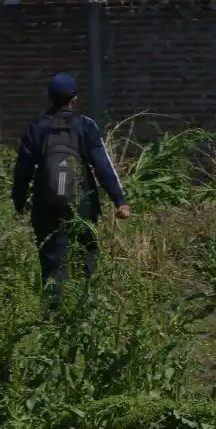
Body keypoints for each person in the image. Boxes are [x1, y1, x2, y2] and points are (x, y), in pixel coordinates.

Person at [10, 73, 131, 304]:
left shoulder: (36, 127)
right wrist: (119, 200)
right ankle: (84, 307)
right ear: (74, 97)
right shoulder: (85, 125)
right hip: (82, 200)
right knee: (87, 252)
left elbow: (23, 168)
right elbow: (103, 165)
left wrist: (19, 200)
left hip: (46, 203)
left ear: (49, 97)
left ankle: (54, 317)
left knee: (52, 259)